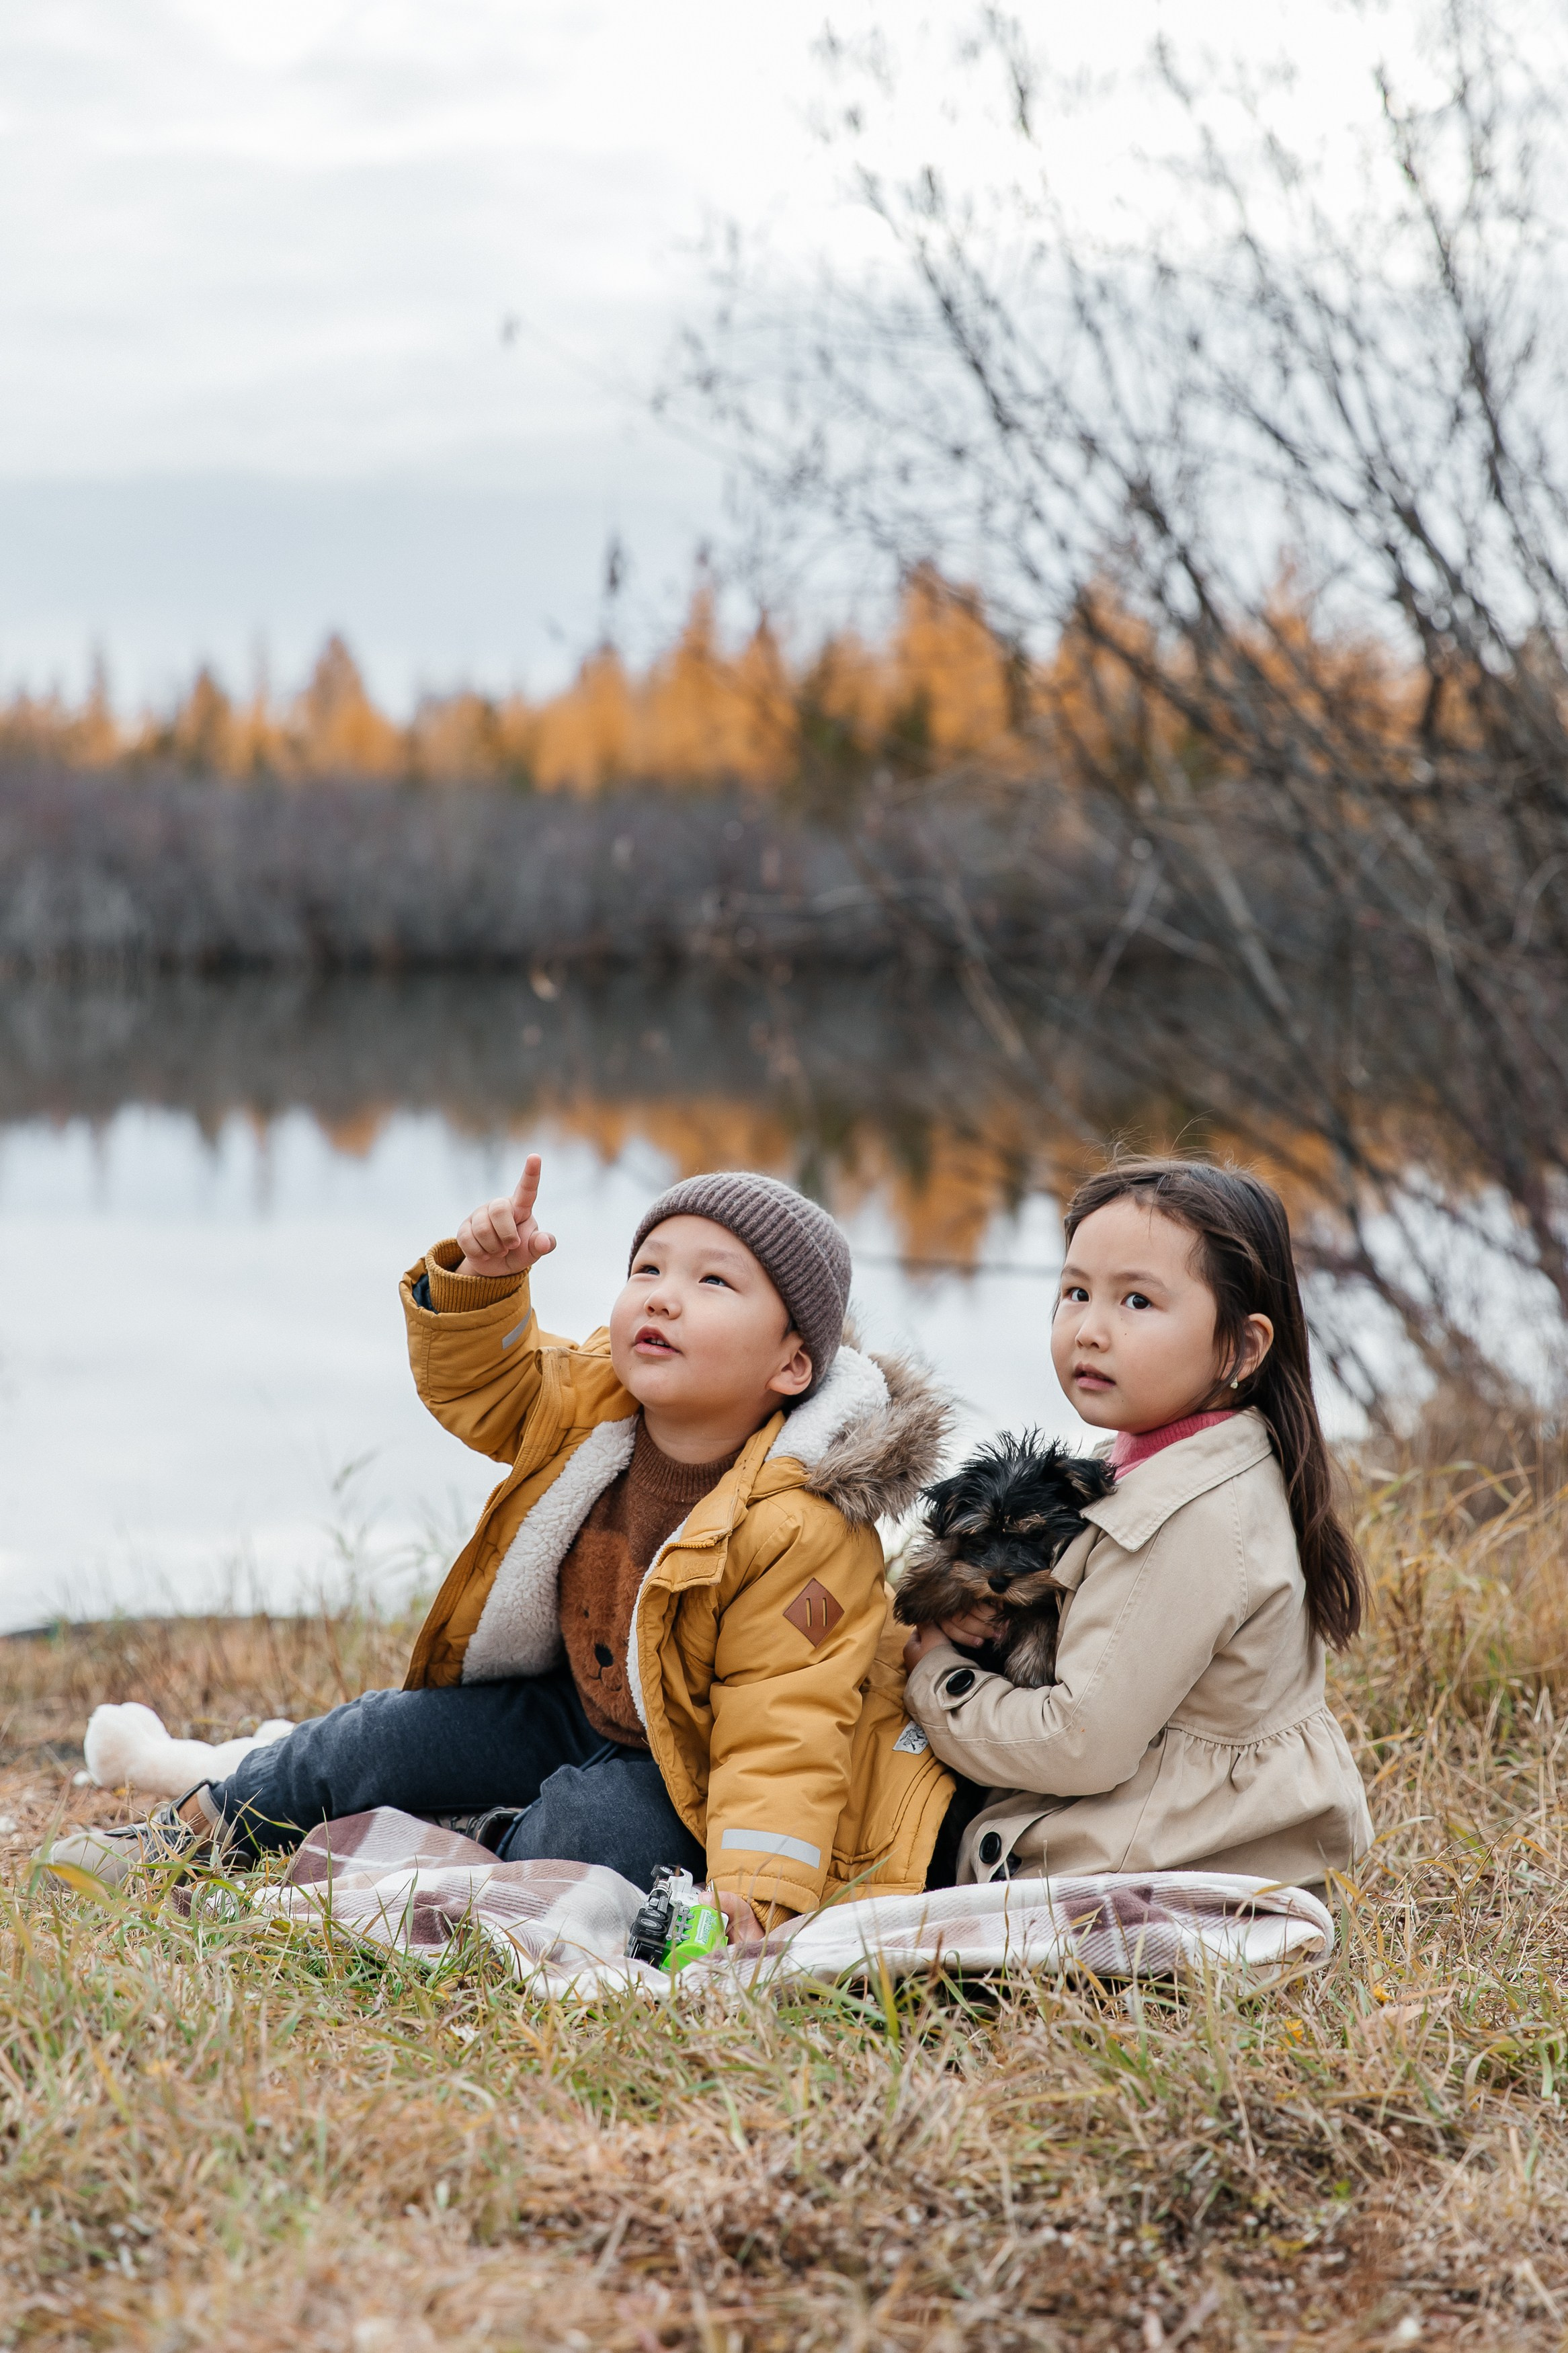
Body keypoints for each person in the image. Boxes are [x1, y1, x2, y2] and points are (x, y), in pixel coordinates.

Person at [46, 1161, 959, 1940]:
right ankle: (200, 1829)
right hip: (568, 1706)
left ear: (791, 1367)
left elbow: (787, 1727)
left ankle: (475, 1838)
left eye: (713, 1283)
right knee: (373, 1735)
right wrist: (484, 1284)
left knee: (583, 1836)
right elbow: (486, 1383)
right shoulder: (592, 1400)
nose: (663, 1295)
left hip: (690, 1775)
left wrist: (759, 1893)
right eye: (647, 1268)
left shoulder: (803, 1523)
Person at [901, 1158, 1374, 1892]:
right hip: (1182, 1842)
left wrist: (937, 1672)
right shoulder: (1154, 1465)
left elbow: (1076, 1743)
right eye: (1075, 1291)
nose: (1089, 1328)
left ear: (1240, 1348)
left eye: (1136, 1301)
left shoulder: (1186, 1515)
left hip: (1153, 1871)